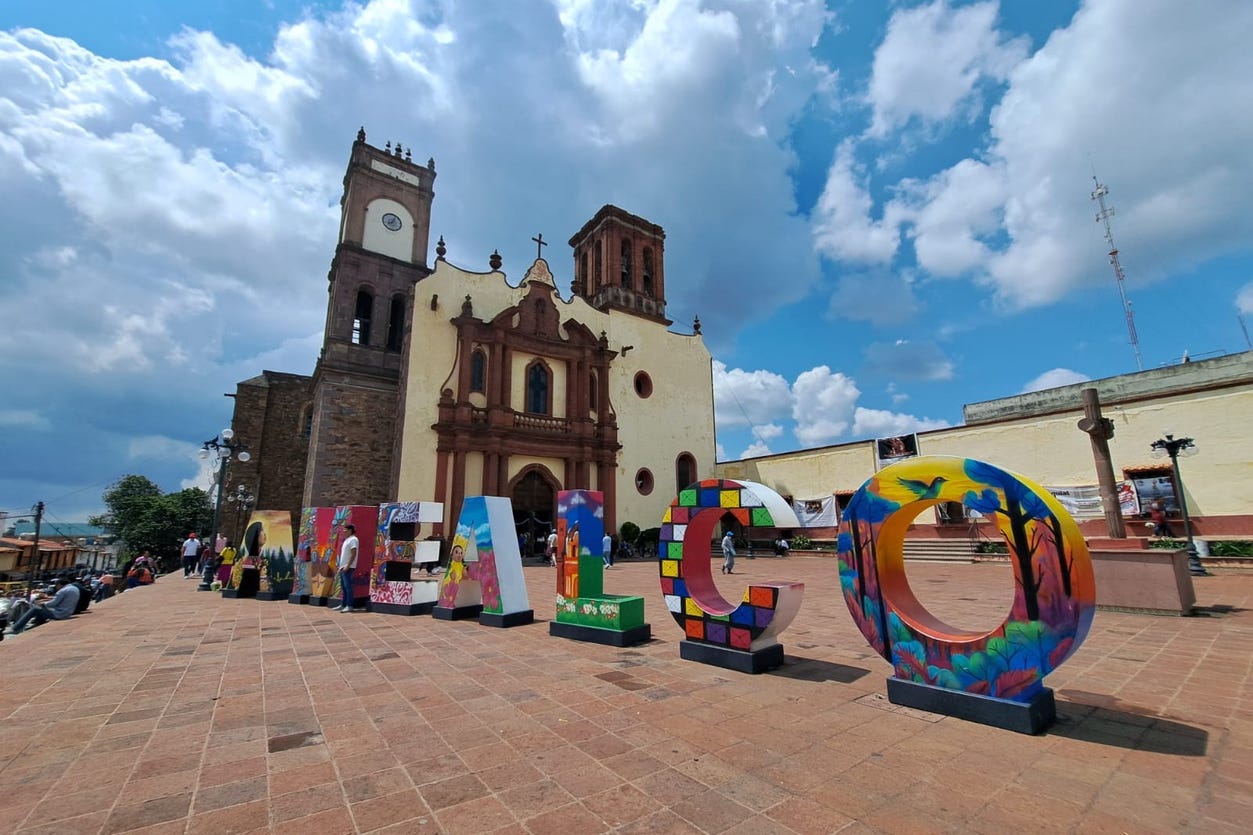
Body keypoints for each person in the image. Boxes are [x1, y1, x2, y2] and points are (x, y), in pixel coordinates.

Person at [8, 577, 80, 634]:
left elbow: (52, 604)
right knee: (41, 609)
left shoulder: (62, 591)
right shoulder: (75, 589)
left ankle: (16, 628)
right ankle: (38, 622)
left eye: (56, 586)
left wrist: (42, 603)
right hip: (68, 612)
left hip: (59, 613)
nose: (56, 587)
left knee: (35, 608)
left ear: (59, 584)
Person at [335, 524, 359, 612]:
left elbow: (353, 553)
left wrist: (348, 565)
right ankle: (343, 604)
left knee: (348, 586)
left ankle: (349, 605)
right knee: (343, 586)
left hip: (348, 567)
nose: (343, 532)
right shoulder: (347, 540)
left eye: (345, 530)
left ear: (350, 530)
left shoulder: (353, 539)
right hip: (343, 567)